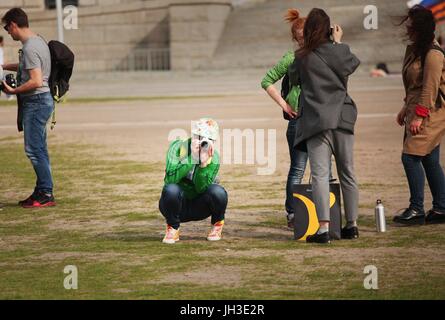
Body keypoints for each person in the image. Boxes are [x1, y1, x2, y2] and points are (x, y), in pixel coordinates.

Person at [288, 8, 361, 244]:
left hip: (316, 120)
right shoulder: (341, 50)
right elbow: (349, 66)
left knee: (319, 175)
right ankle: (352, 226)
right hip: (342, 117)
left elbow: (293, 79)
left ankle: (324, 229)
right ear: (328, 28)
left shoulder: (301, 56)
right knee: (348, 172)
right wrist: (338, 43)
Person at [393, 5, 445, 225]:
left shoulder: (433, 54)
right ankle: (442, 208)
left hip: (430, 112)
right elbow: (414, 85)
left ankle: (416, 209)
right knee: (430, 159)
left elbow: (430, 88)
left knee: (410, 157)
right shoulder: (417, 50)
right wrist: (406, 108)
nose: (408, 27)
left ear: (420, 27)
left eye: (411, 24)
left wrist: (419, 116)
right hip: (417, 108)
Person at [1, 8, 55, 208]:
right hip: (41, 101)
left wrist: (13, 91)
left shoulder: (31, 47)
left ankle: (46, 192)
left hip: (36, 101)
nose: (8, 32)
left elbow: (35, 80)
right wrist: (5, 66)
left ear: (14, 24)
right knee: (39, 149)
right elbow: (29, 66)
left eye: (7, 28)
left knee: (33, 150)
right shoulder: (37, 40)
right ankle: (42, 189)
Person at [260, 9, 306, 229]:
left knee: (323, 168)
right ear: (296, 38)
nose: (303, 40)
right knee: (298, 168)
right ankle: (292, 213)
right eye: (300, 37)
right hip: (298, 120)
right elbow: (266, 81)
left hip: (320, 120)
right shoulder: (291, 57)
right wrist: (284, 105)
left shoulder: (323, 55)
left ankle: (323, 212)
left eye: (306, 35)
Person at [159, 118, 228, 244]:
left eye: (208, 139)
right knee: (171, 189)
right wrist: (192, 158)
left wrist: (202, 165)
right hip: (176, 204)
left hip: (200, 207)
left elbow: (201, 188)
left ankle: (217, 225)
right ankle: (173, 228)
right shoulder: (179, 147)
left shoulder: (214, 157)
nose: (203, 141)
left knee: (218, 192)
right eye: (199, 136)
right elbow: (170, 180)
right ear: (193, 135)